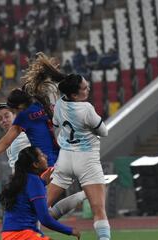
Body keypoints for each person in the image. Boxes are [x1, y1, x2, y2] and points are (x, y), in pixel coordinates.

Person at [0, 102, 86, 220]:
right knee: (43, 215)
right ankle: (84, 194)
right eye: (0, 118)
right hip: (19, 180)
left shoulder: (26, 131)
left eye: (7, 116)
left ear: (15, 115)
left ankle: (84, 194)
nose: (3, 120)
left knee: (36, 215)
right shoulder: (11, 137)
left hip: (31, 179)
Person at [47, 74, 111, 240]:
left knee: (41, 206)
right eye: (84, 87)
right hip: (87, 159)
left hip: (65, 158)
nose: (88, 88)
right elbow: (104, 131)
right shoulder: (86, 108)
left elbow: (55, 124)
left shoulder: (60, 104)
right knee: (99, 209)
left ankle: (34, 231)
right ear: (74, 95)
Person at [0, 146, 80, 240]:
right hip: (22, 235)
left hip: (9, 235)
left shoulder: (23, 180)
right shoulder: (34, 181)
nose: (45, 156)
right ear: (36, 164)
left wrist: (43, 182)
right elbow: (45, 219)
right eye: (41, 155)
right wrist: (70, 230)